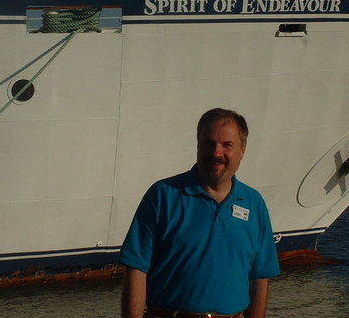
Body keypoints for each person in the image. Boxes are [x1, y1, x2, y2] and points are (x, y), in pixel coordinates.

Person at [119, 108, 280, 318]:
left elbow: (259, 279)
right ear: (198, 145)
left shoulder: (254, 204)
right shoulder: (162, 196)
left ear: (242, 151)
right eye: (209, 143)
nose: (216, 153)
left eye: (227, 145)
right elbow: (136, 269)